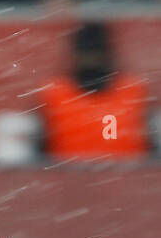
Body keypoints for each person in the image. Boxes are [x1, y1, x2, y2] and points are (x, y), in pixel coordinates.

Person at [38, 22, 155, 160]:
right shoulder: (54, 93)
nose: (91, 59)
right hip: (69, 178)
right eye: (86, 53)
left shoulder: (134, 90)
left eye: (95, 52)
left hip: (129, 177)